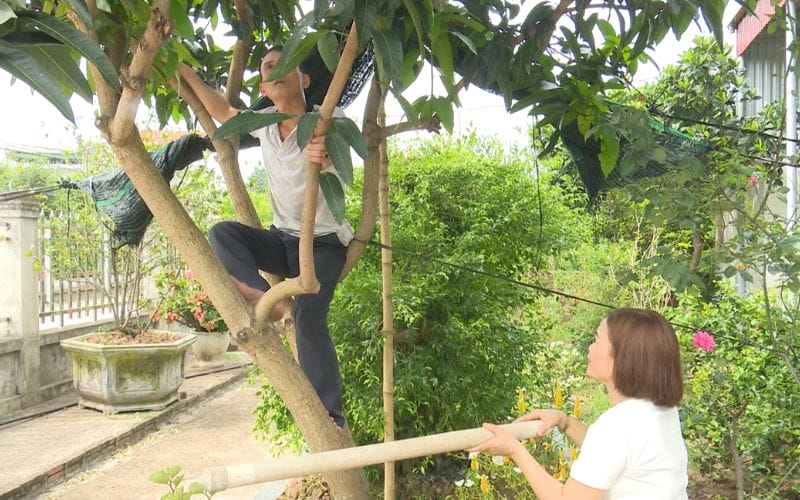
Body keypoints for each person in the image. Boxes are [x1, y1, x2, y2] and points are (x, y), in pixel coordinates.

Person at [178, 46, 353, 429]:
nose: (278, 71)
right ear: (264, 86)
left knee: (309, 315)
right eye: (271, 67)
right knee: (223, 233)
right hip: (282, 239)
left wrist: (325, 159)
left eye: (287, 65)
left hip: (323, 243)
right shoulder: (264, 124)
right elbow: (223, 113)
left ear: (304, 80)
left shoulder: (329, 119)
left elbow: (344, 162)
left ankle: (330, 415)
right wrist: (183, 70)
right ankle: (261, 296)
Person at [469, 308, 688, 499]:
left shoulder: (618, 425)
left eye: (597, 339)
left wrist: (515, 450)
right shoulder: (659, 411)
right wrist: (564, 421)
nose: (590, 348)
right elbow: (614, 453)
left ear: (623, 358)